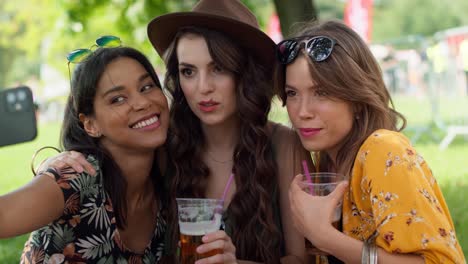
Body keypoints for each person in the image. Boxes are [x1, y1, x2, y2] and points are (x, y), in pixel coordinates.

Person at [276, 20, 465, 263]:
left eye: (321, 92)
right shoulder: (328, 164)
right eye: (292, 93)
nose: (302, 112)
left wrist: (325, 237)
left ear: (356, 97)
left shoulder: (383, 149)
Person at [147, 0, 309, 263]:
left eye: (218, 68)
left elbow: (299, 258)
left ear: (247, 73)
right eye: (188, 71)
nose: (203, 87)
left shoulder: (284, 144)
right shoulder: (166, 148)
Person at [0, 45, 172, 263]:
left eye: (147, 86)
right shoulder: (77, 176)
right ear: (90, 124)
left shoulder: (171, 179)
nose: (142, 102)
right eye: (117, 99)